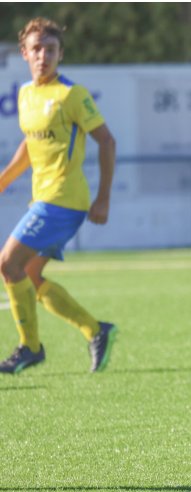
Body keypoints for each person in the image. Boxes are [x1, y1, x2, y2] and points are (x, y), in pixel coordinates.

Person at [0, 18, 117, 374]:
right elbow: (30, 144)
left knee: (7, 263)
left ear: (60, 54)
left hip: (64, 201)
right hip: (43, 200)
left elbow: (107, 141)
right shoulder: (25, 94)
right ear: (24, 53)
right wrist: (4, 179)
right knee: (30, 277)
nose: (43, 55)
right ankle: (96, 330)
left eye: (50, 50)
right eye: (36, 49)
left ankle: (30, 348)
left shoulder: (71, 94)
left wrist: (103, 199)